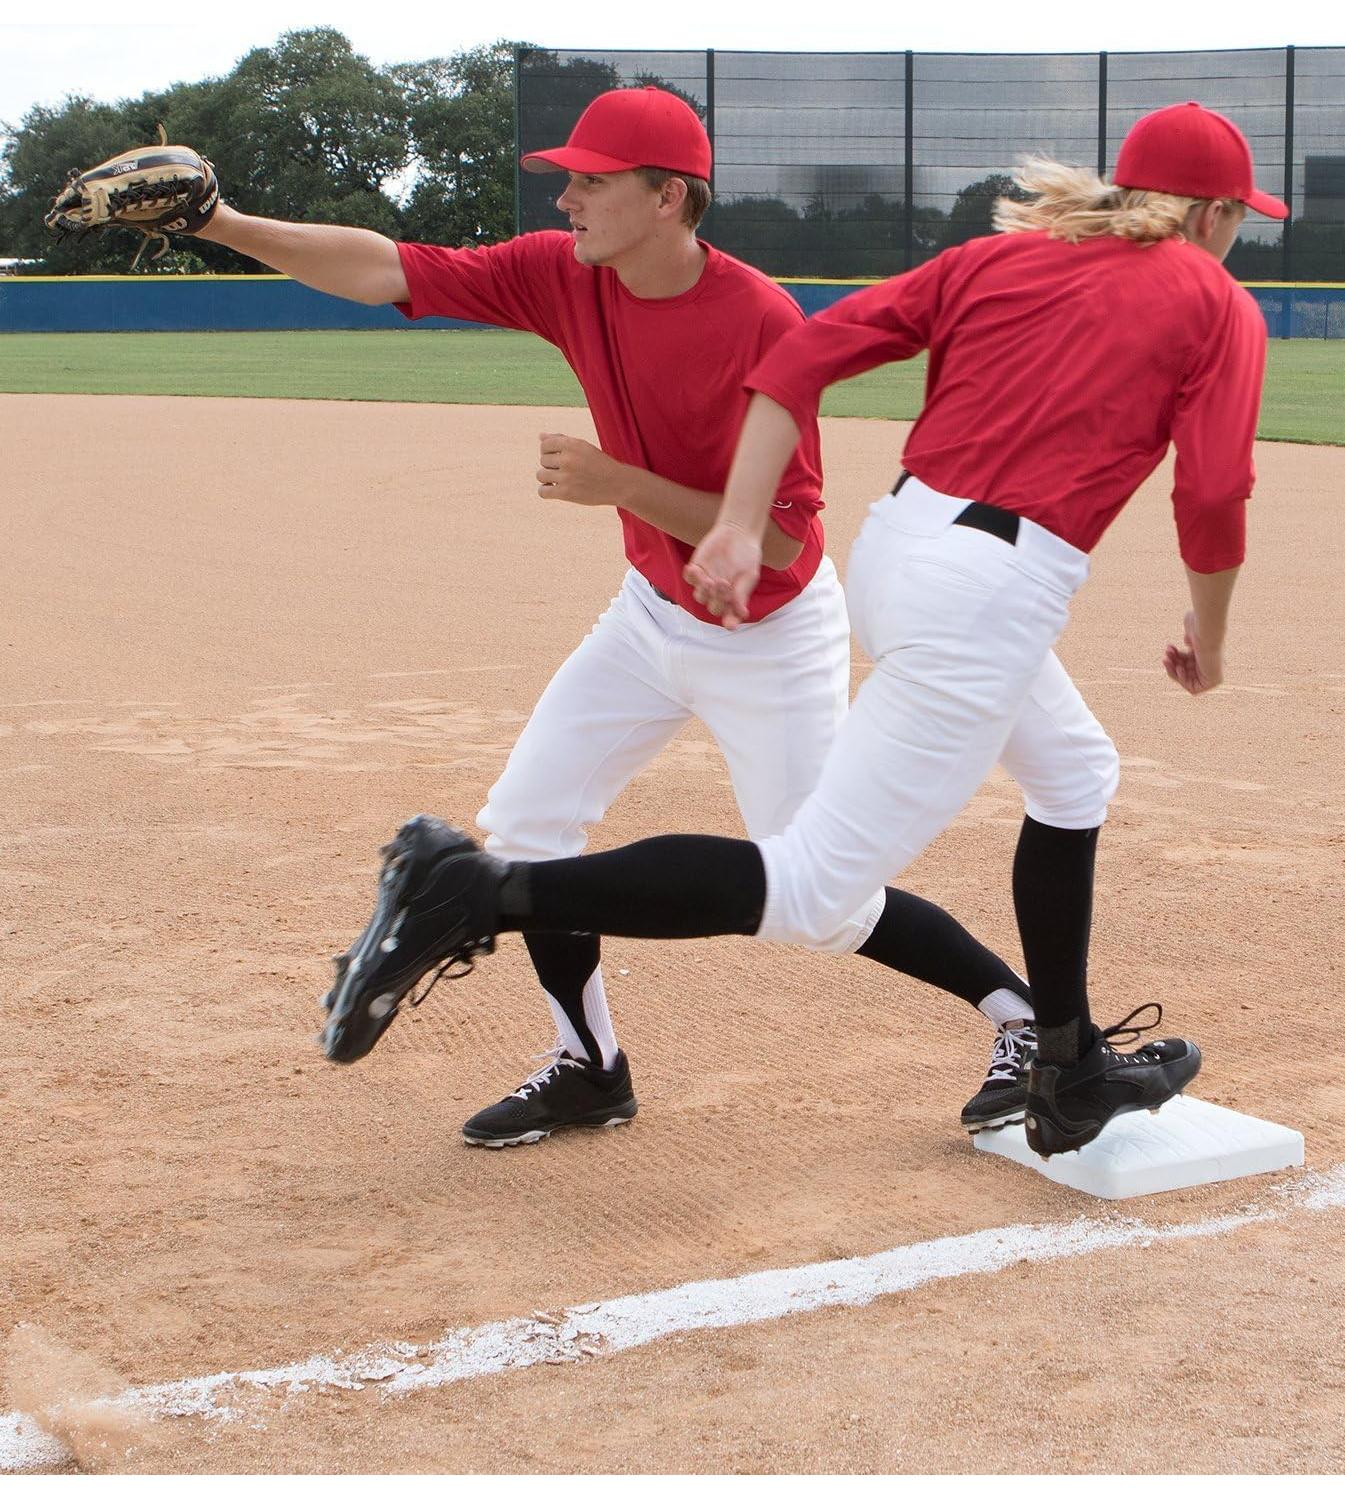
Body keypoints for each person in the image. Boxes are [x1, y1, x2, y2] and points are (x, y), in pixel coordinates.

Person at [319, 99, 1281, 1159]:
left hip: (897, 550)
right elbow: (1215, 497)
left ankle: (1063, 1057)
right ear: (1216, 214)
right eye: (1242, 220)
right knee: (818, 884)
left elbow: (801, 359)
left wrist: (734, 525)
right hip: (994, 592)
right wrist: (1213, 632)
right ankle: (481, 892)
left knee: (1075, 773)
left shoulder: (1005, 260)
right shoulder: (1216, 299)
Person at [191, 85, 1039, 1143]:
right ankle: (588, 1064)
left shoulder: (761, 322)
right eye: (568, 179)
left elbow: (781, 542)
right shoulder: (564, 274)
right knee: (531, 826)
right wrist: (218, 224)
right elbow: (387, 268)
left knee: (822, 900)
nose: (568, 199)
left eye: (593, 181)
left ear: (669, 197)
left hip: (767, 635)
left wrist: (620, 483)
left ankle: (1024, 1019)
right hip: (648, 618)